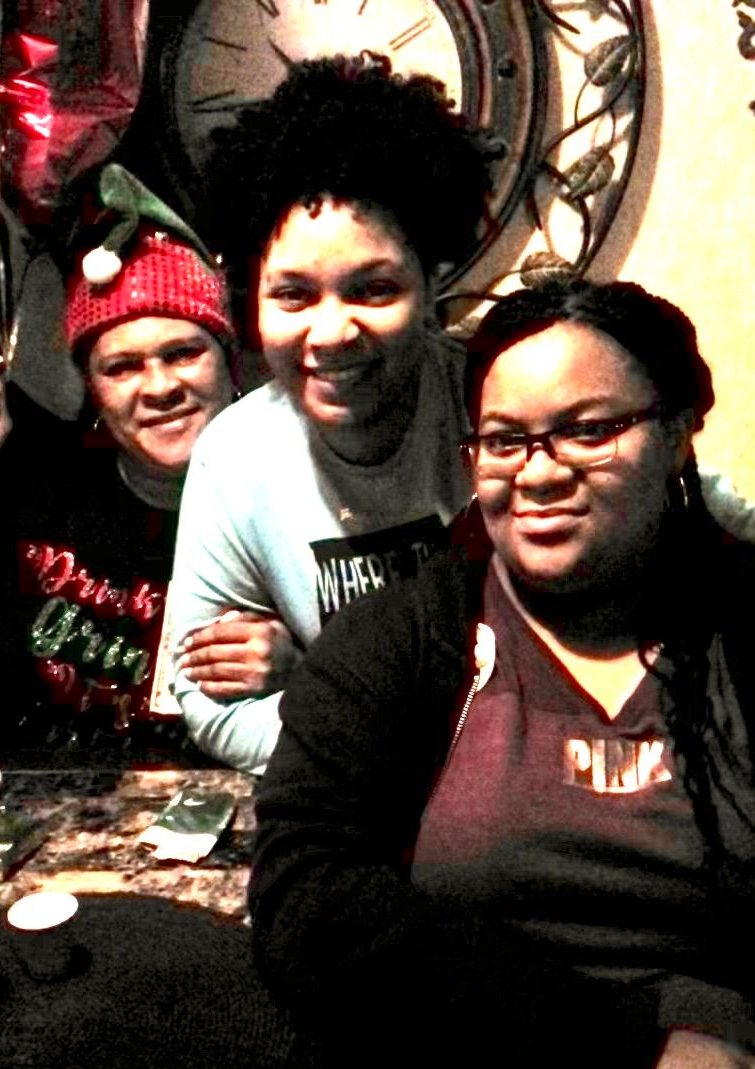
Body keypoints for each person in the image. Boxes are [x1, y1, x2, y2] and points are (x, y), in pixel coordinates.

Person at [247, 280, 755, 1069]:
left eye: (589, 430)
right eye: (505, 440)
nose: (539, 472)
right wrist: (622, 1062)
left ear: (677, 433)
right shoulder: (404, 642)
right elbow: (306, 902)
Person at [169, 52, 492, 773]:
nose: (332, 332)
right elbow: (211, 704)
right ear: (253, 301)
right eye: (293, 295)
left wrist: (320, 687)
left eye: (373, 290)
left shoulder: (499, 403)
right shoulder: (234, 459)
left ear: (432, 285)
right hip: (361, 803)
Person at [0, 165, 236, 763]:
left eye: (183, 353)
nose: (160, 387)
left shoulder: (291, 501)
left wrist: (295, 668)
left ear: (230, 363)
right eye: (121, 368)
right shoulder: (33, 489)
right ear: (92, 390)